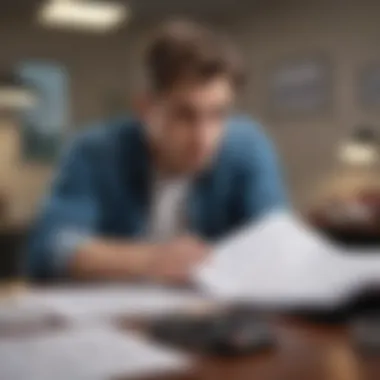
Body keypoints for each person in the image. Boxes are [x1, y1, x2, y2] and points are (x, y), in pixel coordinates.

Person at [26, 20, 287, 282]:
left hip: (215, 316)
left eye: (218, 114)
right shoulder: (94, 151)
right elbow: (48, 249)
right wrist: (149, 260)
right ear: (145, 108)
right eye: (185, 115)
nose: (203, 138)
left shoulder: (248, 147)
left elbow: (274, 244)